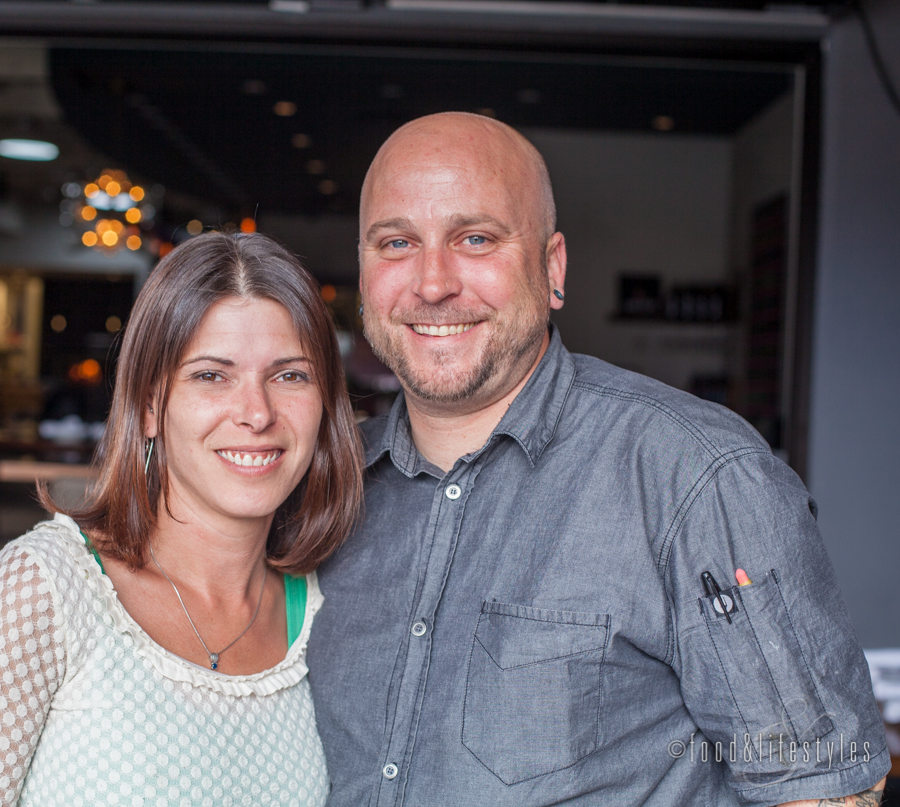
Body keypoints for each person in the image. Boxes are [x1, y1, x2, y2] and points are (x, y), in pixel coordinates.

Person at [307, 112, 889, 807]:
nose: (432, 283)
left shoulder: (696, 477)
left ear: (552, 268)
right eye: (397, 241)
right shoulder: (320, 490)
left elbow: (824, 789)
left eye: (476, 238)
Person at [0, 232, 363, 806]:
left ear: (325, 403)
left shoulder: (326, 608)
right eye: (212, 375)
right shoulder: (45, 589)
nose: (256, 413)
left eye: (290, 375)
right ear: (151, 405)